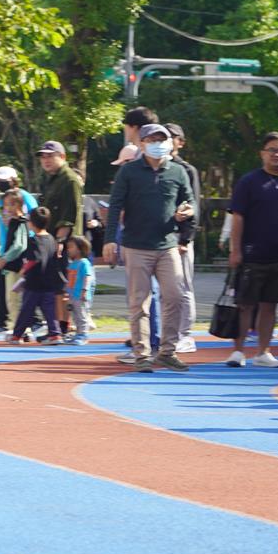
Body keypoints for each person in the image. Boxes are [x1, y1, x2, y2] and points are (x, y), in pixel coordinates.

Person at [103, 124, 194, 373]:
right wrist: (110, 239)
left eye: (161, 139)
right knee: (140, 302)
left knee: (175, 296)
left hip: (168, 244)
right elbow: (115, 205)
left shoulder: (178, 171)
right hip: (136, 246)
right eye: (152, 139)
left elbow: (189, 201)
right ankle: (141, 354)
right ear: (141, 143)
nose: (157, 143)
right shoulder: (129, 171)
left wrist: (188, 216)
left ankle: (168, 352)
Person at [225, 133, 278, 368]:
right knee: (245, 304)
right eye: (271, 150)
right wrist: (235, 250)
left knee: (271, 305)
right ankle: (238, 351)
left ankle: (263, 351)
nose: (276, 154)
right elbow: (237, 216)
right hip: (251, 254)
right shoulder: (249, 182)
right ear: (262, 154)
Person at [36, 140, 83, 335]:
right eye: (43, 157)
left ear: (62, 157)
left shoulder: (69, 180)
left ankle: (63, 326)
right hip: (52, 239)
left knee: (62, 285)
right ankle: (57, 326)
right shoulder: (51, 180)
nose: (45, 160)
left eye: (50, 156)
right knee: (55, 285)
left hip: (65, 243)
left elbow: (69, 215)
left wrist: (60, 241)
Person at [0, 166, 38, 335]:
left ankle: (30, 322)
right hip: (7, 250)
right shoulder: (2, 201)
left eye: (3, 181)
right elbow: (0, 225)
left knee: (21, 290)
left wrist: (32, 248)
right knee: (5, 289)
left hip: (21, 251)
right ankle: (4, 321)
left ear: (13, 180)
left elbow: (34, 222)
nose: (0, 185)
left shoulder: (25, 198)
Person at [166, 123, 202, 353]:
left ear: (181, 142)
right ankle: (167, 333)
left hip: (180, 237)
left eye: (172, 137)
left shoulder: (186, 170)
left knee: (184, 286)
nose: (167, 141)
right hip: (161, 237)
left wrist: (186, 239)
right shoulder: (157, 168)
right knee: (166, 289)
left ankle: (186, 334)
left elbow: (193, 204)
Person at [8, 207, 64, 344]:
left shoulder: (33, 240)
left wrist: (23, 270)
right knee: (50, 310)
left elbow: (33, 259)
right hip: (48, 282)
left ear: (31, 223)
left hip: (33, 282)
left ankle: (16, 336)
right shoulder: (51, 239)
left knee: (26, 310)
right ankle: (55, 334)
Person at [0, 189, 30, 338]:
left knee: (13, 299)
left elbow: (19, 245)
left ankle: (19, 330)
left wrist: (4, 259)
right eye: (5, 205)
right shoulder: (16, 222)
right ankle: (21, 329)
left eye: (10, 205)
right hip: (15, 266)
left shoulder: (19, 222)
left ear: (18, 205)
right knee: (15, 299)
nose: (7, 208)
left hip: (15, 267)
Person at [65, 235, 94, 345]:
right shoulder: (72, 264)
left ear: (80, 248)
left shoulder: (84, 262)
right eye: (68, 247)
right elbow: (69, 279)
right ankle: (78, 333)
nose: (68, 249)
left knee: (82, 315)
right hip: (73, 295)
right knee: (76, 316)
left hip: (81, 295)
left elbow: (87, 276)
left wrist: (84, 290)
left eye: (71, 247)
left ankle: (83, 335)